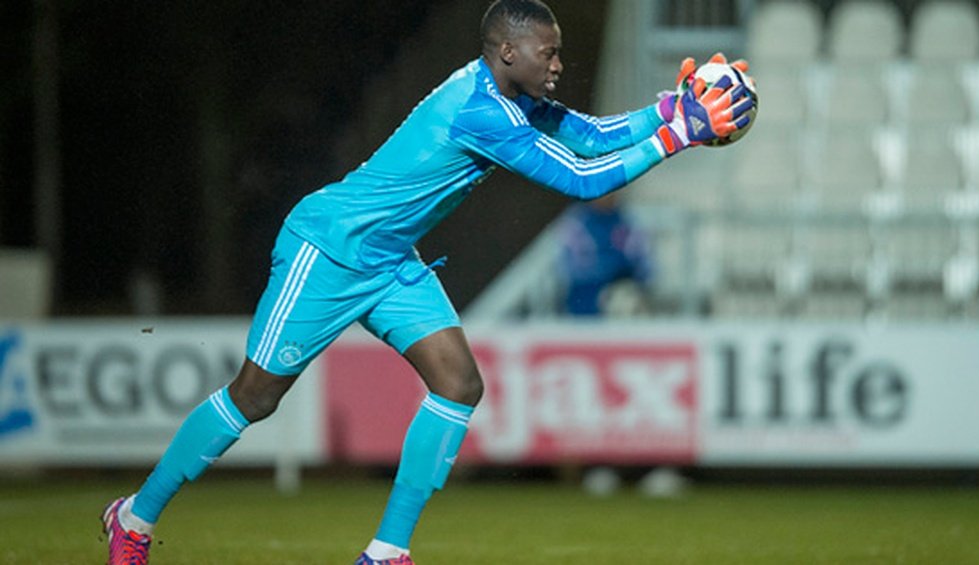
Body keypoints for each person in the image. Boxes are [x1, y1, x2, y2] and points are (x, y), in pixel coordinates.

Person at [100, 1, 754, 563]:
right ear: (507, 50)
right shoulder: (481, 112)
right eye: (547, 53)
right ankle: (134, 517)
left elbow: (589, 136)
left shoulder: (509, 94)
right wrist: (677, 136)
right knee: (255, 396)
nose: (558, 65)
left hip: (389, 261)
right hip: (329, 249)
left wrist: (671, 109)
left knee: (459, 382)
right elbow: (584, 180)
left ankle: (386, 550)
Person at [557, 192, 653, 316]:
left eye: (612, 191)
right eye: (603, 191)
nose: (607, 196)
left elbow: (644, 265)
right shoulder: (576, 223)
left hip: (620, 290)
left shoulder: (628, 222)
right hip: (586, 296)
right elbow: (571, 269)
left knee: (628, 297)